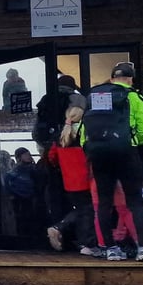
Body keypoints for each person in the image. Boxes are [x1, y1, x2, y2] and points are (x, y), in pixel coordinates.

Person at [80, 62, 143, 261]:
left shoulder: (96, 97)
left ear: (112, 78)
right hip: (126, 152)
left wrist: (92, 148)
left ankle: (110, 249)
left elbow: (84, 132)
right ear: (130, 79)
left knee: (104, 203)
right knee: (134, 201)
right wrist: (134, 141)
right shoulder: (133, 96)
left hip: (99, 154)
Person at [45, 107, 96, 254]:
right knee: (87, 211)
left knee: (81, 210)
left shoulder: (60, 136)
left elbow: (52, 157)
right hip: (86, 179)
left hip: (69, 181)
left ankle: (79, 241)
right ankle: (82, 241)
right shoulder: (85, 133)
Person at [3, 147, 45, 245]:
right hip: (19, 199)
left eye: (29, 154)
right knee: (22, 219)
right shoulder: (15, 171)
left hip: (33, 198)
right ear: (19, 157)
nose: (28, 156)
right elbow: (9, 182)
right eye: (25, 154)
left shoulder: (34, 168)